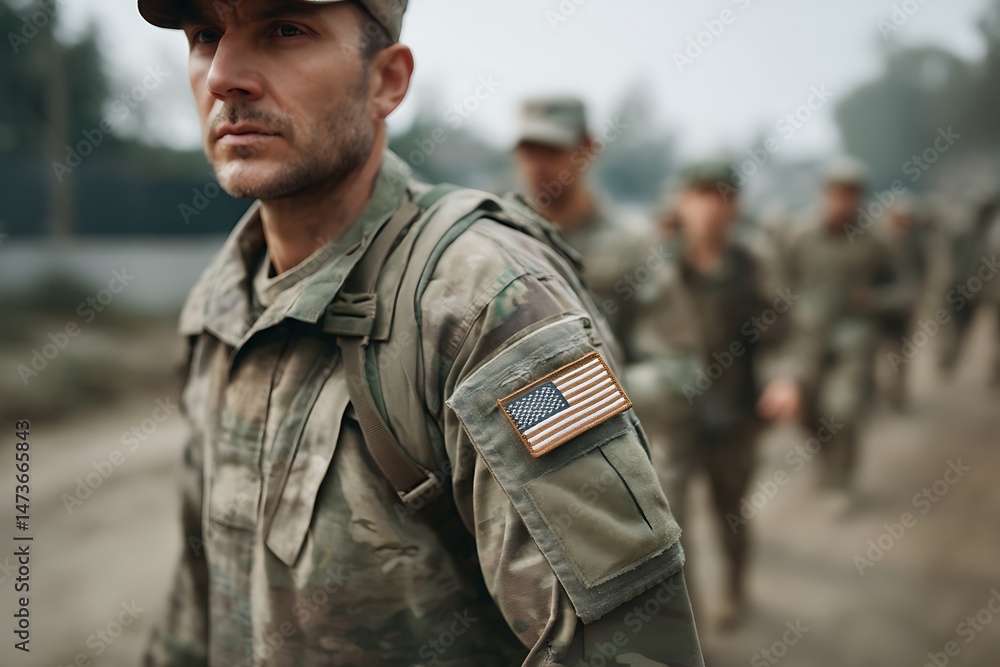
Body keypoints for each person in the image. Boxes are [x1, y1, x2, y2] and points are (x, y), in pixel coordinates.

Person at [137, 1, 704, 665]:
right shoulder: (223, 300)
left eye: (286, 30)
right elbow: (199, 591)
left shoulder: (484, 302)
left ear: (387, 81)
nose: (224, 75)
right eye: (205, 35)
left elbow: (630, 646)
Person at [631, 161, 807, 629]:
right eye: (699, 194)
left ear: (734, 204)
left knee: (730, 513)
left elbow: (788, 330)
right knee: (671, 527)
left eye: (720, 194)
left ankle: (735, 587)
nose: (709, 206)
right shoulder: (656, 264)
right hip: (674, 421)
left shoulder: (752, 263)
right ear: (682, 201)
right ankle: (689, 629)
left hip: (733, 416)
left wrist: (785, 378)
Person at [777, 157, 904, 492]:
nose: (842, 201)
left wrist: (874, 300)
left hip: (854, 340)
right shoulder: (801, 236)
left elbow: (904, 289)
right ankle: (825, 451)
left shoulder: (875, 243)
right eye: (836, 193)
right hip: (807, 340)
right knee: (804, 408)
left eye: (850, 194)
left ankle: (843, 478)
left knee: (843, 409)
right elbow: (779, 282)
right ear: (824, 194)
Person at [512, 96, 653, 345]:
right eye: (529, 152)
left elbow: (672, 363)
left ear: (588, 149)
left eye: (551, 151)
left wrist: (596, 384)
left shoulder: (634, 248)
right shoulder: (503, 238)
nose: (537, 166)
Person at [939, 186, 1000, 384]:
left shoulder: (993, 233)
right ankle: (949, 357)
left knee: (979, 330)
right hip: (961, 287)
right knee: (955, 327)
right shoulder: (963, 231)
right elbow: (949, 258)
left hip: (985, 291)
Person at [876, 191, 931, 409]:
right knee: (878, 353)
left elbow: (922, 271)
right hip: (880, 308)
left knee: (901, 353)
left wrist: (918, 294)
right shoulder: (879, 244)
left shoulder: (915, 243)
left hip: (905, 308)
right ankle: (880, 393)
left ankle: (897, 393)